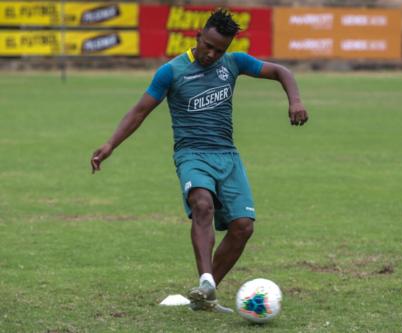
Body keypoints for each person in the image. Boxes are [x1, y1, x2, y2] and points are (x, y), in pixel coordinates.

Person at [90, 8, 308, 313]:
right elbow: (140, 111)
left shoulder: (234, 63)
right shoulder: (172, 71)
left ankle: (206, 295)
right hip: (191, 154)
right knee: (202, 204)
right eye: (208, 45)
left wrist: (295, 100)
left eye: (220, 50)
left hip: (227, 156)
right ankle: (205, 277)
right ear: (198, 36)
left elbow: (281, 72)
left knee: (243, 227)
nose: (212, 54)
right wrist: (111, 143)